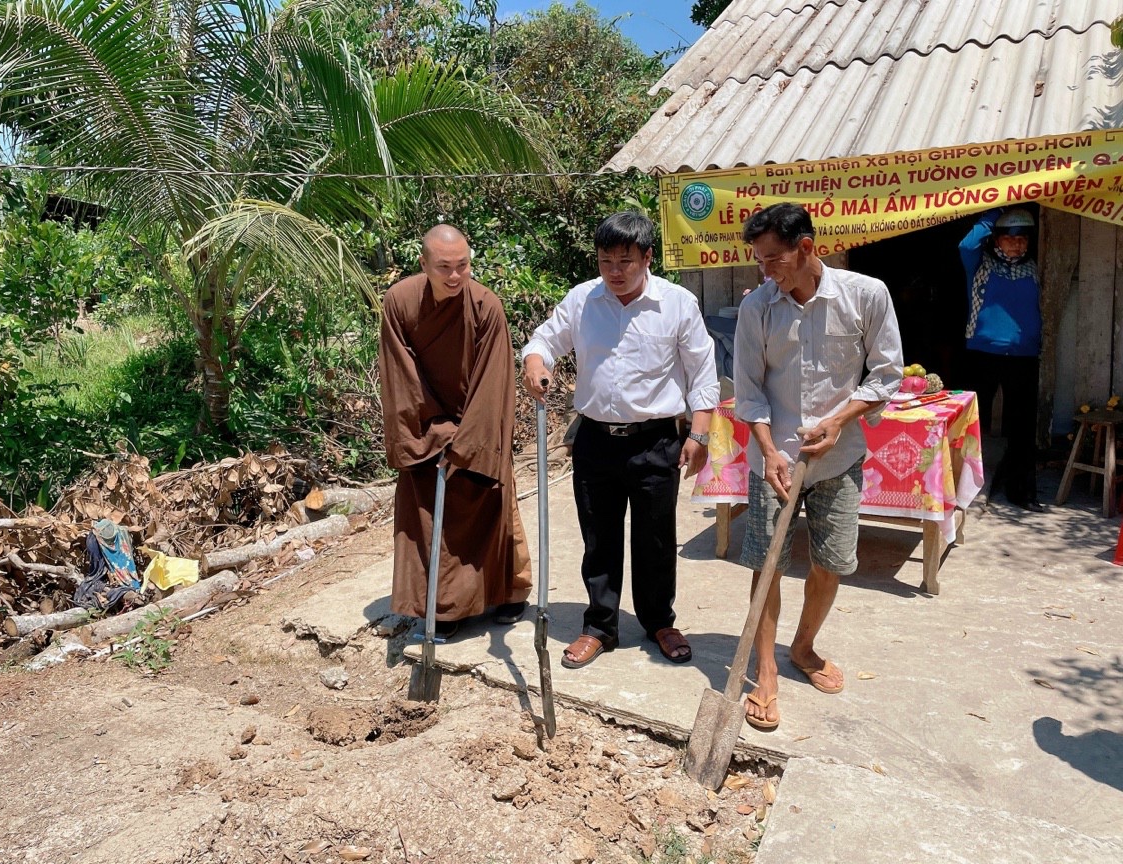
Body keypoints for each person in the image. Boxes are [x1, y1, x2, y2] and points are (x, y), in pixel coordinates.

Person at [732, 203, 903, 730]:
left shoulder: (865, 295)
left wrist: (839, 421)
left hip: (839, 457)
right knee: (767, 564)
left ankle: (803, 647)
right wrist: (769, 451)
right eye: (759, 260)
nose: (766, 271)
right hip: (776, 459)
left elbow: (886, 374)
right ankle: (765, 669)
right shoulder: (758, 307)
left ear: (806, 247)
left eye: (774, 259)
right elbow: (749, 390)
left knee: (831, 562)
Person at [521, 212, 719, 669]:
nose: (614, 271)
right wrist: (535, 363)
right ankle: (599, 626)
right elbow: (545, 340)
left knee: (656, 538)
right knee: (599, 537)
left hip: (655, 441)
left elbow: (702, 372)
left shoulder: (677, 304)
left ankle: (659, 621)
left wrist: (700, 432)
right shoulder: (583, 300)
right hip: (595, 440)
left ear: (647, 257)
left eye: (625, 261)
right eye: (605, 260)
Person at [378, 224, 532, 640]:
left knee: (494, 499)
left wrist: (468, 439)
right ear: (423, 264)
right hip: (426, 426)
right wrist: (433, 431)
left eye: (462, 266)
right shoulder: (400, 302)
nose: (454, 276)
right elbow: (399, 374)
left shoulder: (485, 306)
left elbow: (493, 379)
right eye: (444, 267)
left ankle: (508, 591)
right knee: (425, 517)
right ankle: (442, 608)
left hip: (476, 422)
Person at [959, 207, 1042, 511]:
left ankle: (1023, 493)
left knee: (1022, 427)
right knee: (970, 422)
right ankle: (962, 487)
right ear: (996, 240)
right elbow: (966, 245)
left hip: (1023, 355)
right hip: (982, 353)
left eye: (1022, 238)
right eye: (1009, 237)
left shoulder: (1035, 269)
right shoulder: (980, 265)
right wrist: (996, 210)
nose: (1017, 244)